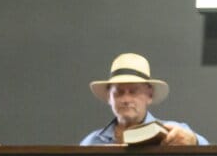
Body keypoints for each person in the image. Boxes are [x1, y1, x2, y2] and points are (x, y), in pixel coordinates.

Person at [79, 53, 207, 146]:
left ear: (149, 95)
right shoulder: (91, 142)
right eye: (119, 92)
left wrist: (194, 141)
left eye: (134, 91)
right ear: (109, 97)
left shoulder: (176, 132)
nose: (126, 99)